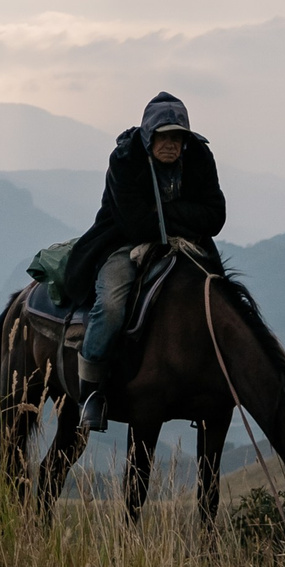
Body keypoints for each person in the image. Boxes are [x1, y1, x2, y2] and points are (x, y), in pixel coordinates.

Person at [59, 91, 227, 431]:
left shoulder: (200, 157)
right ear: (148, 135)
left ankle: (213, 383)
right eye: (163, 136)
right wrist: (185, 216)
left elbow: (216, 217)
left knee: (223, 302)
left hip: (188, 245)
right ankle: (90, 393)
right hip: (123, 243)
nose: (171, 144)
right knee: (110, 307)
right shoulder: (125, 159)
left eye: (177, 137)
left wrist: (164, 213)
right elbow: (136, 223)